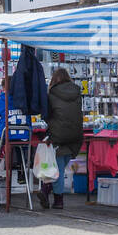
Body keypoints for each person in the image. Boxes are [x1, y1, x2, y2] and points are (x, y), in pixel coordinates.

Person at [40, 68, 84, 210]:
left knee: (57, 167)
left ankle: (53, 195)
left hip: (58, 134)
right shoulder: (77, 92)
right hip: (75, 134)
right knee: (60, 164)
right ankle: (47, 192)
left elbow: (47, 114)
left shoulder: (51, 93)